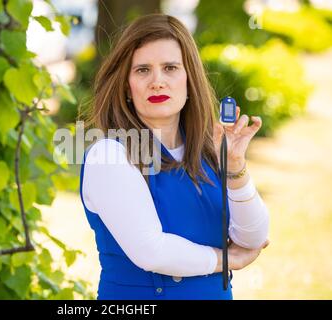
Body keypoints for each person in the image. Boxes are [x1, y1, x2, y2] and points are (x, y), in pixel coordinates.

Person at [78, 13, 270, 300]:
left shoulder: (210, 148)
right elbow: (151, 251)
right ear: (126, 87)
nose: (157, 81)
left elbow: (253, 238)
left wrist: (236, 169)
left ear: (189, 79)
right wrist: (226, 260)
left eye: (170, 68)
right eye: (143, 70)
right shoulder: (109, 154)